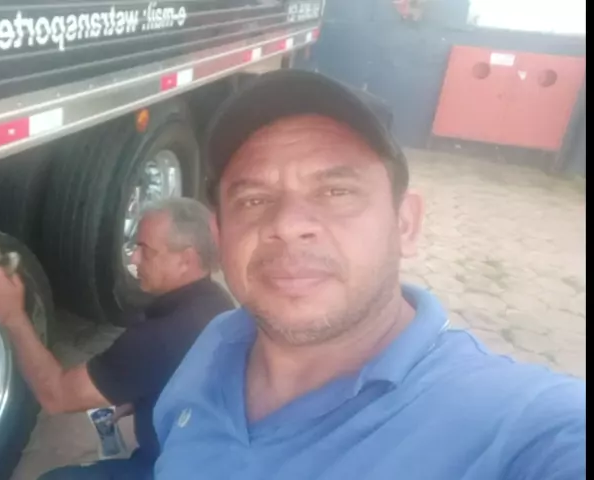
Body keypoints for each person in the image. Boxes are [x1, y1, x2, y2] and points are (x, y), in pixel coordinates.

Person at [152, 70, 586, 479]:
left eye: (336, 192)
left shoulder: (517, 426)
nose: (287, 224)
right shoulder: (217, 342)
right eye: (253, 200)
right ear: (219, 235)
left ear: (405, 224)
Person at [0, 197, 234, 479]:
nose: (133, 259)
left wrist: (11, 314)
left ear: (186, 260)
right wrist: (146, 396)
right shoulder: (218, 303)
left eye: (146, 250)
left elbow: (56, 395)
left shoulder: (159, 337)